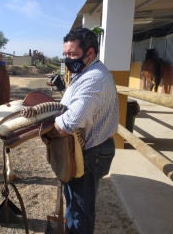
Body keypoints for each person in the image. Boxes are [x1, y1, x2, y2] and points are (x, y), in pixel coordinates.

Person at [42, 27, 119, 234]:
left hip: (89, 153)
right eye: (65, 54)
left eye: (73, 54)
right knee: (75, 203)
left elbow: (70, 123)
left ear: (90, 53)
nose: (68, 59)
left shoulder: (94, 79)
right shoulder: (83, 71)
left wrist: (45, 131)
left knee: (80, 211)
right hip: (83, 148)